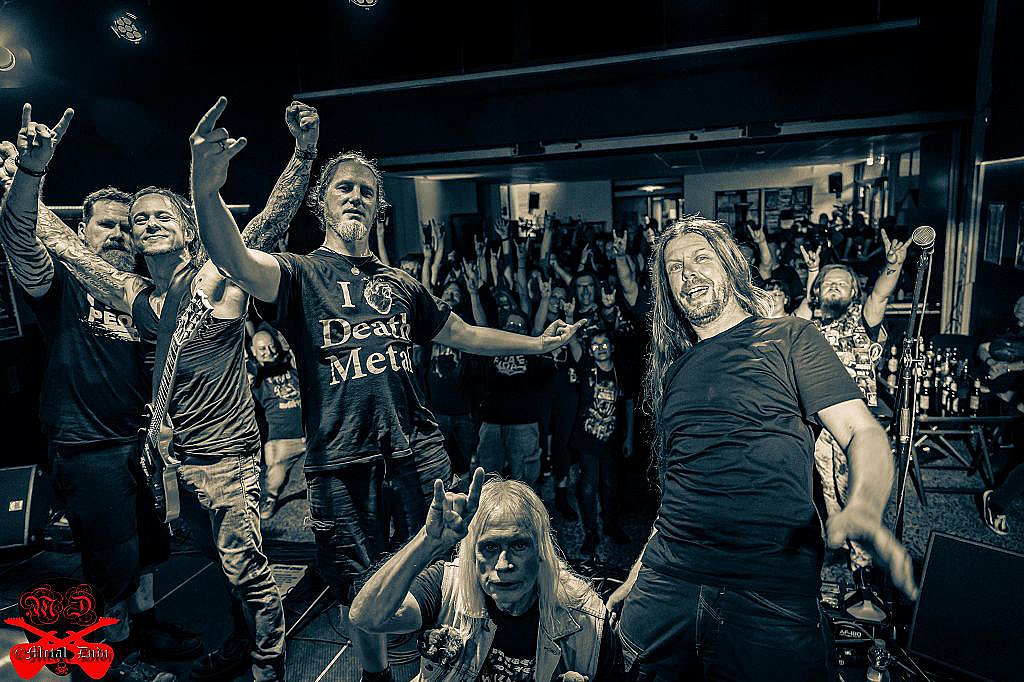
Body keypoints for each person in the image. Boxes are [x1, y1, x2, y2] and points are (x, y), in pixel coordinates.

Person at [186, 99, 585, 680]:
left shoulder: (401, 283)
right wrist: (206, 190)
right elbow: (235, 261)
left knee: (441, 568)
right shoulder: (299, 273)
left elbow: (462, 333)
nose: (356, 198)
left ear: (379, 208)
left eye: (367, 192)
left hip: (416, 454)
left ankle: (446, 660)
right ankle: (374, 675)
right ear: (323, 202)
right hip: (341, 462)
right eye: (344, 188)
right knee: (361, 588)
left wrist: (537, 345)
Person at [11, 98, 320, 681]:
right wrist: (23, 176)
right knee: (215, 567)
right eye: (140, 220)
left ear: (188, 228)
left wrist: (303, 154)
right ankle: (236, 646)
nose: (149, 224)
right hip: (176, 466)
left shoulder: (216, 275)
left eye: (162, 216)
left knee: (247, 574)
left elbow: (270, 220)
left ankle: (268, 666)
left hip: (227, 460)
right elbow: (71, 253)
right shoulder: (137, 296)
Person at [607, 217, 917, 681]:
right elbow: (677, 491)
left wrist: (865, 508)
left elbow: (862, 431)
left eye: (701, 258)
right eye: (674, 267)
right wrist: (638, 574)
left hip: (767, 587)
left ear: (731, 266)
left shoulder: (789, 337)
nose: (687, 273)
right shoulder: (673, 372)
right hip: (667, 580)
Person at [0, 108, 201, 681]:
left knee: (150, 552)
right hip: (87, 447)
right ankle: (112, 659)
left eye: (125, 227)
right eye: (106, 225)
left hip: (138, 445)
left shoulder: (140, 292)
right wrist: (29, 175)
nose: (118, 235)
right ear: (82, 233)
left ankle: (145, 629)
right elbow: (18, 239)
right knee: (111, 565)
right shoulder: (60, 283)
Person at [349, 469, 624, 682]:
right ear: (471, 554)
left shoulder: (588, 621)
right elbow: (366, 617)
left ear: (542, 550)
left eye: (518, 545)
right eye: (490, 547)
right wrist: (428, 542)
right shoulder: (448, 585)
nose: (503, 565)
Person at [795, 230, 910, 569]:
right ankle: (840, 544)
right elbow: (804, 311)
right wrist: (814, 274)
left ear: (852, 292)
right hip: (818, 419)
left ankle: (863, 559)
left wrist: (892, 266)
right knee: (827, 487)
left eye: (842, 283)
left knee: (852, 489)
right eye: (828, 283)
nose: (834, 287)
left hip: (853, 421)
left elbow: (880, 295)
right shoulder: (809, 321)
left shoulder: (863, 317)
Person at [567, 329, 634, 555]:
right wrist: (569, 319)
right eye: (595, 345)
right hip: (587, 439)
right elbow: (572, 343)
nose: (601, 348)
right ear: (589, 350)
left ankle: (611, 525)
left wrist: (629, 437)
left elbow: (628, 405)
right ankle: (591, 532)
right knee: (588, 485)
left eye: (605, 344)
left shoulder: (620, 372)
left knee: (611, 484)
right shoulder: (587, 366)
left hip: (612, 441)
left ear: (612, 347)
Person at [978, 293, 1024, 535]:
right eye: (1019, 304)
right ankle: (996, 502)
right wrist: (993, 364)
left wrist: (1007, 367)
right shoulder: (1002, 324)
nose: (1020, 309)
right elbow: (982, 348)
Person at [249, 328, 306, 520]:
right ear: (253, 351)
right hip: (282, 438)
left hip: (313, 432)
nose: (269, 352)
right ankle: (271, 499)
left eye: (272, 346)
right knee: (275, 478)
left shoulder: (290, 364)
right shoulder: (255, 375)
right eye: (262, 349)